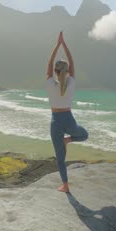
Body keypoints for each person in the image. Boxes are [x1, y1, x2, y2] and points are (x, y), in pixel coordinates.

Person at [46, 31, 89, 193]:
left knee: (60, 159)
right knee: (84, 135)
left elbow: (49, 65)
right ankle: (68, 140)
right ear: (68, 70)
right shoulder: (71, 82)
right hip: (69, 120)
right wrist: (64, 45)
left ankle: (65, 185)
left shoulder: (50, 82)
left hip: (55, 121)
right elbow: (72, 63)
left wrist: (57, 45)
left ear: (55, 72)